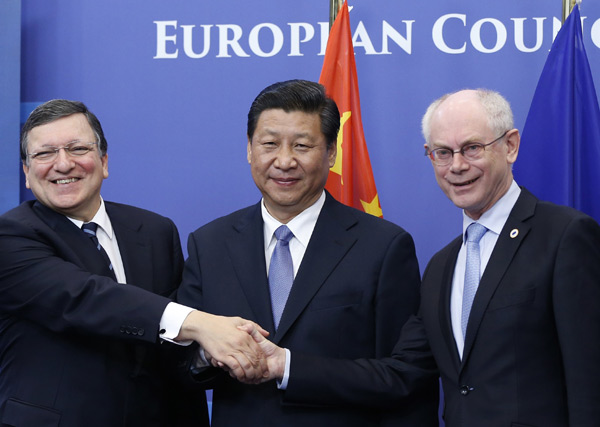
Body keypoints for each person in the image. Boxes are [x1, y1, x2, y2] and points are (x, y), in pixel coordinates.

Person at [244, 89, 600, 426]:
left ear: (510, 146)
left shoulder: (564, 236)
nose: (456, 166)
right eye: (442, 153)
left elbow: (590, 376)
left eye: (472, 148)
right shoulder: (442, 267)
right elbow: (402, 373)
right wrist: (283, 363)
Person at [176, 79, 439, 426]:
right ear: (250, 150)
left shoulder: (383, 246)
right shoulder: (209, 243)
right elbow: (180, 369)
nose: (284, 161)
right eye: (269, 144)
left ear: (331, 152)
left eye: (302, 145)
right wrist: (208, 356)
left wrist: (289, 367)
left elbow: (404, 374)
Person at [0, 100, 268, 427]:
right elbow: (84, 297)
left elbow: (170, 344)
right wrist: (201, 324)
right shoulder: (11, 236)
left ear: (104, 161)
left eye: (77, 148)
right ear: (27, 174)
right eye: (45, 154)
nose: (63, 163)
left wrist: (209, 352)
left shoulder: (155, 230)